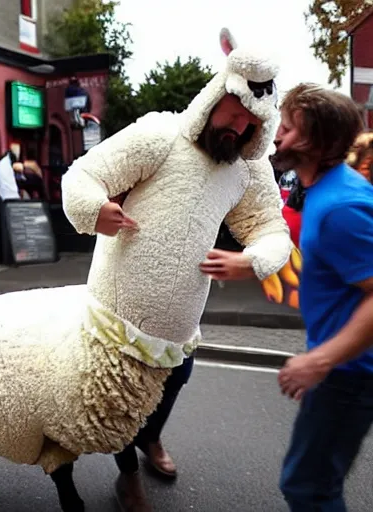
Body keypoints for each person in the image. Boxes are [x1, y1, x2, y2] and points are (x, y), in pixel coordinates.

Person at [61, 28, 292, 511]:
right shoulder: (159, 135)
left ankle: (150, 440)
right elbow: (84, 174)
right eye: (234, 112)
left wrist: (252, 260)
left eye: (251, 122)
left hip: (180, 321)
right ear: (216, 97)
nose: (238, 126)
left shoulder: (247, 170)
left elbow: (271, 230)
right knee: (114, 396)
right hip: (117, 308)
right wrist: (94, 207)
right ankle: (128, 475)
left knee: (175, 379)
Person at [271, 83, 373, 511]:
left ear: (321, 143)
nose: (278, 135)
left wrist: (320, 361)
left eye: (290, 128)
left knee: (309, 488)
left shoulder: (341, 208)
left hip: (350, 375)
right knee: (310, 484)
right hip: (342, 368)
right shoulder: (323, 189)